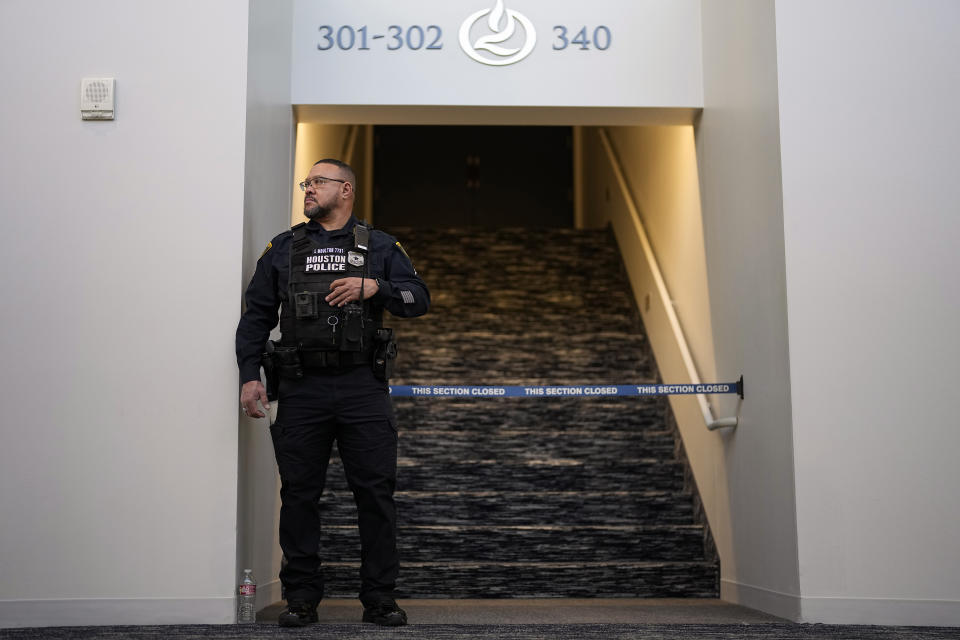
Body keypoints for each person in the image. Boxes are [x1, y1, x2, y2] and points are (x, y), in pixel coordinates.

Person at [235, 158, 429, 627]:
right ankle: (301, 598)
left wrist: (374, 286)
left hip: (363, 387)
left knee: (376, 495)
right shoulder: (284, 248)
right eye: (307, 182)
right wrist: (249, 374)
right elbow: (257, 316)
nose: (307, 188)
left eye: (317, 182)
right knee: (300, 495)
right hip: (302, 389)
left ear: (345, 190)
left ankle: (380, 599)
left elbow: (418, 299)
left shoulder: (380, 245)